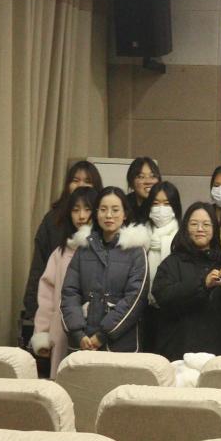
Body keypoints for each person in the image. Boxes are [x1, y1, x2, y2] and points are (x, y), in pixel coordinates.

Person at [21, 159, 102, 348]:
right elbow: (40, 270)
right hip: (59, 312)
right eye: (75, 180)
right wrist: (34, 311)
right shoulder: (53, 221)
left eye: (87, 181)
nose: (81, 185)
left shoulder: (105, 234)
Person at [61, 187, 149, 353]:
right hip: (83, 342)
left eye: (115, 210)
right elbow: (69, 293)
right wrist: (78, 334)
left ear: (125, 214)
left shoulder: (136, 251)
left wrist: (102, 335)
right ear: (96, 213)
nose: (109, 215)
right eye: (103, 209)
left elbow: (135, 299)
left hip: (120, 344)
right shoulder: (83, 248)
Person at [149, 203, 221, 360]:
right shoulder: (172, 262)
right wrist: (203, 284)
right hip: (178, 350)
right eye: (194, 224)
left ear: (215, 229)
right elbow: (162, 295)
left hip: (216, 352)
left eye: (206, 224)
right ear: (185, 228)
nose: (200, 229)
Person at [30, 186, 98, 377]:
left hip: (96, 332)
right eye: (75, 210)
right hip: (62, 331)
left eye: (87, 209)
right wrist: (43, 332)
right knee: (63, 381)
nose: (81, 216)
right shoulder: (60, 253)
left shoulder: (107, 251)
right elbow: (47, 298)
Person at [141, 180, 183, 300]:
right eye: (155, 203)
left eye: (167, 204)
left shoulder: (182, 238)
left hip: (173, 302)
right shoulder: (139, 237)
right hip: (143, 302)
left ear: (175, 207)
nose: (161, 208)